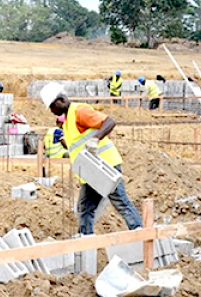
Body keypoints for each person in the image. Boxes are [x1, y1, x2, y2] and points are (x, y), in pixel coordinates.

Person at [39, 82, 142, 235]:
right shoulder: (67, 122)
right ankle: (85, 242)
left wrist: (96, 139)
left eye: (52, 107)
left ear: (60, 100)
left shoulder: (80, 111)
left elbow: (109, 122)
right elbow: (78, 145)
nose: (52, 111)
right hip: (90, 172)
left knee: (120, 201)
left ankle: (141, 236)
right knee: (85, 208)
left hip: (105, 165)